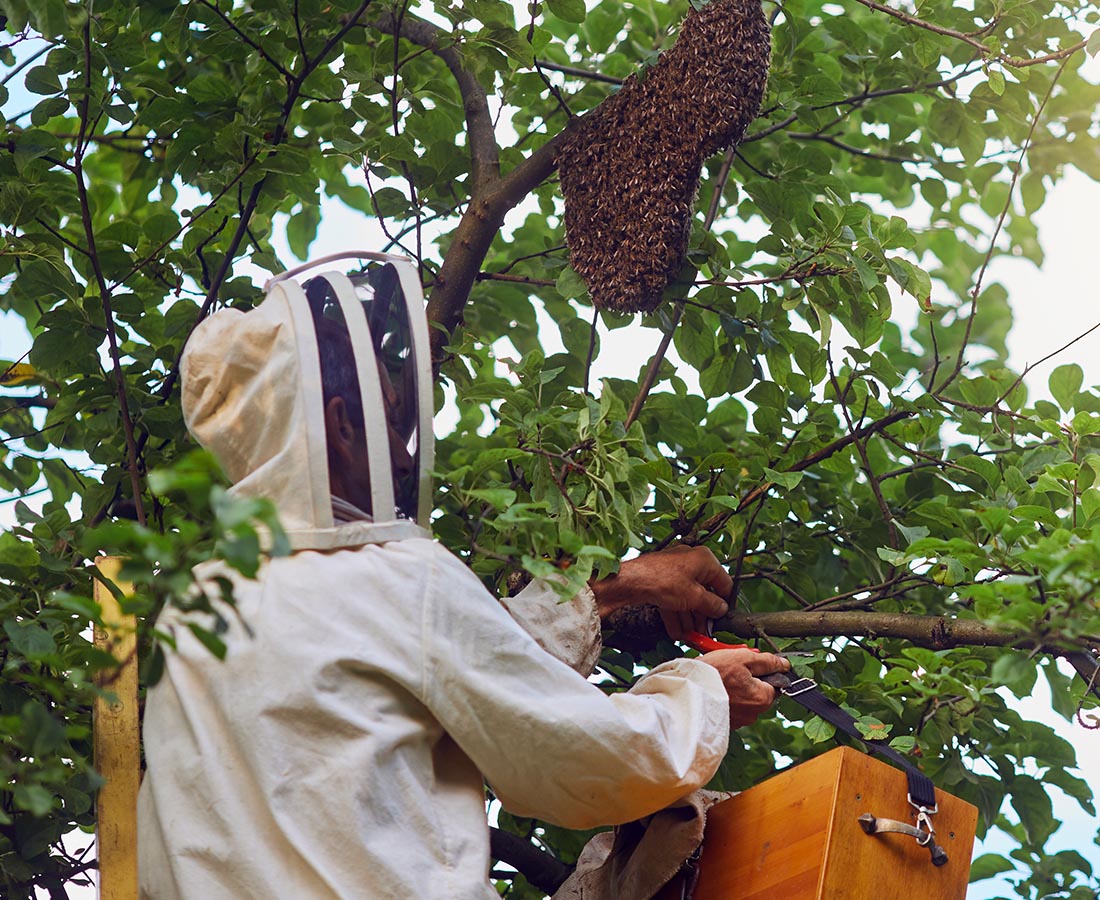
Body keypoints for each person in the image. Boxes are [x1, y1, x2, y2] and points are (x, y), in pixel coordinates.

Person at [137, 257, 789, 899]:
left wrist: (621, 587)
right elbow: (579, 754)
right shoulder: (390, 579)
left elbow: (454, 668)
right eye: (390, 418)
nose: (400, 446)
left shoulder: (193, 613)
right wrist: (707, 693)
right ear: (339, 425)